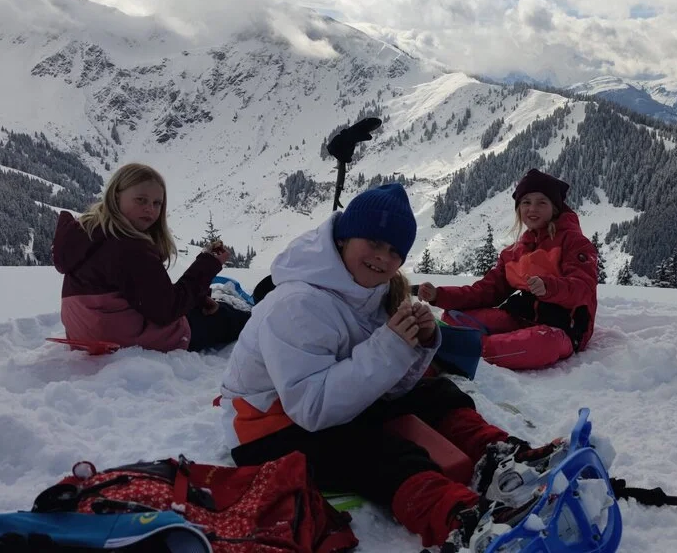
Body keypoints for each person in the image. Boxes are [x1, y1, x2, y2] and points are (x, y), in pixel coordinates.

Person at [217, 183, 562, 551]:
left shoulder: (371, 291)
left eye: (395, 251)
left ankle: (501, 459)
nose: (382, 257)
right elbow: (312, 409)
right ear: (344, 238)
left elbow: (387, 388)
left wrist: (416, 345)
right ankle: (460, 519)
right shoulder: (298, 303)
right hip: (267, 429)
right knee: (376, 449)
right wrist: (391, 347)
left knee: (437, 393)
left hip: (325, 408)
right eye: (374, 242)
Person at [52, 163, 249, 352]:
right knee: (228, 318)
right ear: (116, 196)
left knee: (204, 308)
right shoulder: (128, 247)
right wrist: (209, 263)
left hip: (89, 335)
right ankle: (258, 323)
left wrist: (196, 298)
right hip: (127, 338)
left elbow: (146, 295)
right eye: (141, 200)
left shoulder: (90, 236)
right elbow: (167, 310)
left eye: (157, 203)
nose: (150, 209)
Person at [417, 169, 598, 371]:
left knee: (543, 342)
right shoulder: (516, 252)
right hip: (520, 318)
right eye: (526, 202)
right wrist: (439, 295)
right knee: (452, 316)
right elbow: (486, 291)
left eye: (541, 202)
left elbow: (583, 288)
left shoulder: (575, 243)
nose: (532, 208)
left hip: (562, 328)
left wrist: (549, 287)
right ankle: (476, 344)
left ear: (555, 208)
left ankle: (470, 348)